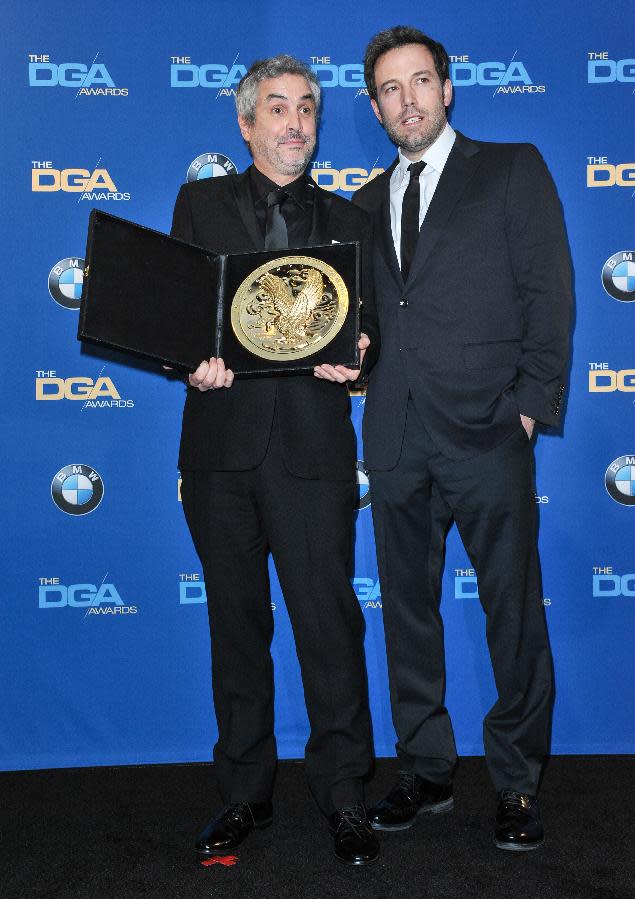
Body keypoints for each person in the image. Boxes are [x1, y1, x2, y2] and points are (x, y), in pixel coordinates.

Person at [351, 25, 572, 851]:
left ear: (447, 89)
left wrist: (527, 404)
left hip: (487, 431)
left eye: (418, 82)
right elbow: (371, 319)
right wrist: (354, 359)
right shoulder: (364, 203)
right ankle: (427, 768)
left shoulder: (510, 168)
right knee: (407, 612)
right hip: (396, 437)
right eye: (387, 90)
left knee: (512, 610)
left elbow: (548, 293)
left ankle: (515, 781)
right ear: (374, 108)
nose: (405, 100)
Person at [170, 54, 379, 865]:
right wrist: (188, 358)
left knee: (328, 627)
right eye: (278, 108)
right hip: (220, 452)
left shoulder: (349, 218)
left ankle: (344, 795)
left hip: (312, 454)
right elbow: (172, 315)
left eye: (307, 110)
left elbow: (370, 336)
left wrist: (361, 351)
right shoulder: (199, 204)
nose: (294, 122)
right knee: (236, 628)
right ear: (246, 121)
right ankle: (244, 795)